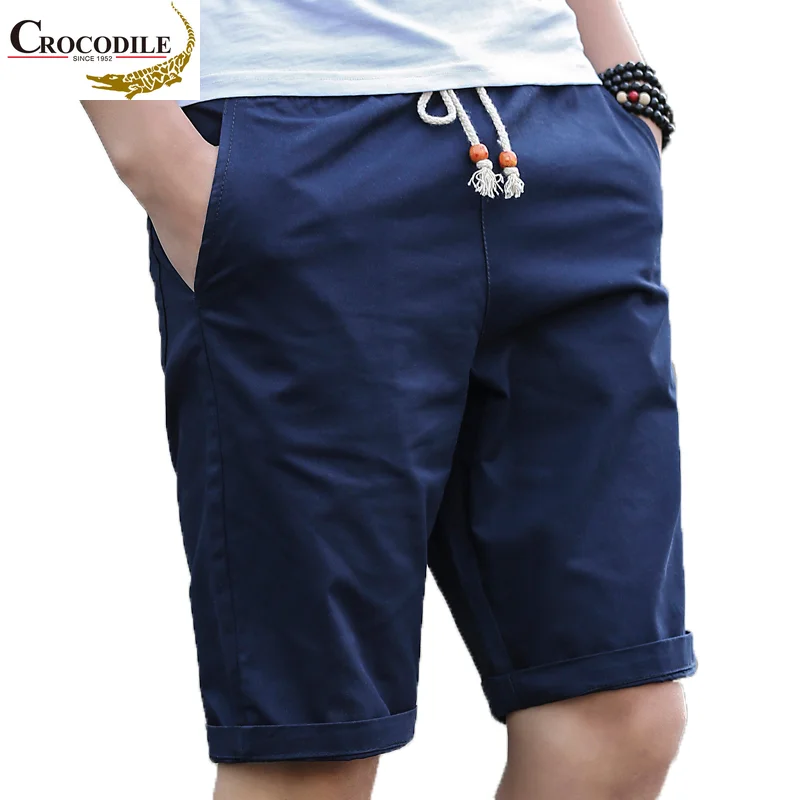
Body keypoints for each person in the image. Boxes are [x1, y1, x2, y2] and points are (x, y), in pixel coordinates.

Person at [83, 1, 696, 798]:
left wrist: (627, 88)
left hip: (560, 140)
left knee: (622, 707)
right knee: (314, 748)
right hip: (293, 146)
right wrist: (153, 155)